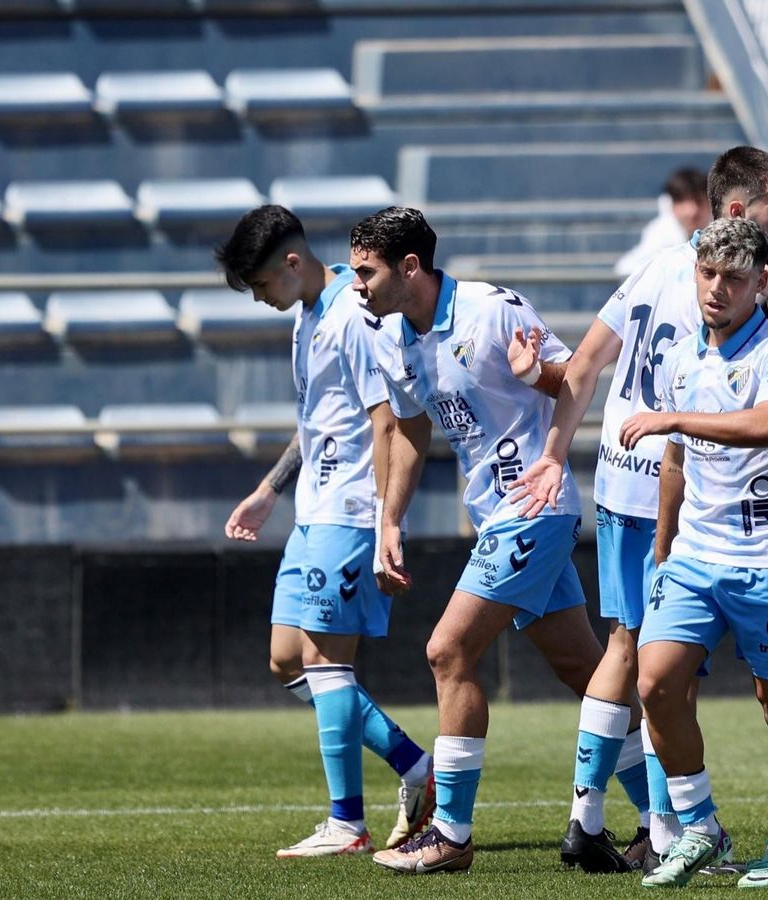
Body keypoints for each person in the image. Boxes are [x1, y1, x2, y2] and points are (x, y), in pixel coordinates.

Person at [504, 145, 768, 873]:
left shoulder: (661, 266)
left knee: (635, 657)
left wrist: (556, 442)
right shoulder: (731, 290)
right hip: (676, 501)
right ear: (741, 213)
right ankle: (667, 825)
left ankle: (595, 814)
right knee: (653, 672)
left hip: (641, 487)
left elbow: (582, 368)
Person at [349, 207, 622, 875]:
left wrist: (537, 376)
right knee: (588, 674)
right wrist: (390, 520)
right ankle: (671, 817)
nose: (355, 284)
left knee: (448, 650)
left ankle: (451, 833)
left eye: (365, 271)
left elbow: (574, 380)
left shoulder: (493, 311)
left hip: (536, 508)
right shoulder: (388, 336)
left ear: (409, 267)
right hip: (497, 514)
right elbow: (409, 433)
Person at [217, 205, 434, 859]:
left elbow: (386, 421)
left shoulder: (351, 312)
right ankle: (418, 768)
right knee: (288, 658)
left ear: (291, 262)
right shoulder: (310, 315)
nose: (260, 300)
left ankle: (347, 823)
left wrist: (383, 521)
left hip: (347, 510)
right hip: (312, 507)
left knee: (326, 663)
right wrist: (268, 490)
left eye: (260, 286)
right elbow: (318, 418)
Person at [617, 218, 768, 888]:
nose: (716, 289)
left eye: (734, 278)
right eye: (708, 273)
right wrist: (664, 544)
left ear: (761, 283)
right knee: (654, 684)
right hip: (695, 559)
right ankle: (700, 828)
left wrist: (673, 419)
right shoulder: (681, 358)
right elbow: (675, 463)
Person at [615, 167, 713, 276]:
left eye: (699, 201)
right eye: (682, 202)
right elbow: (627, 269)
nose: (691, 211)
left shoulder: (723, 230)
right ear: (672, 205)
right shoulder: (659, 233)